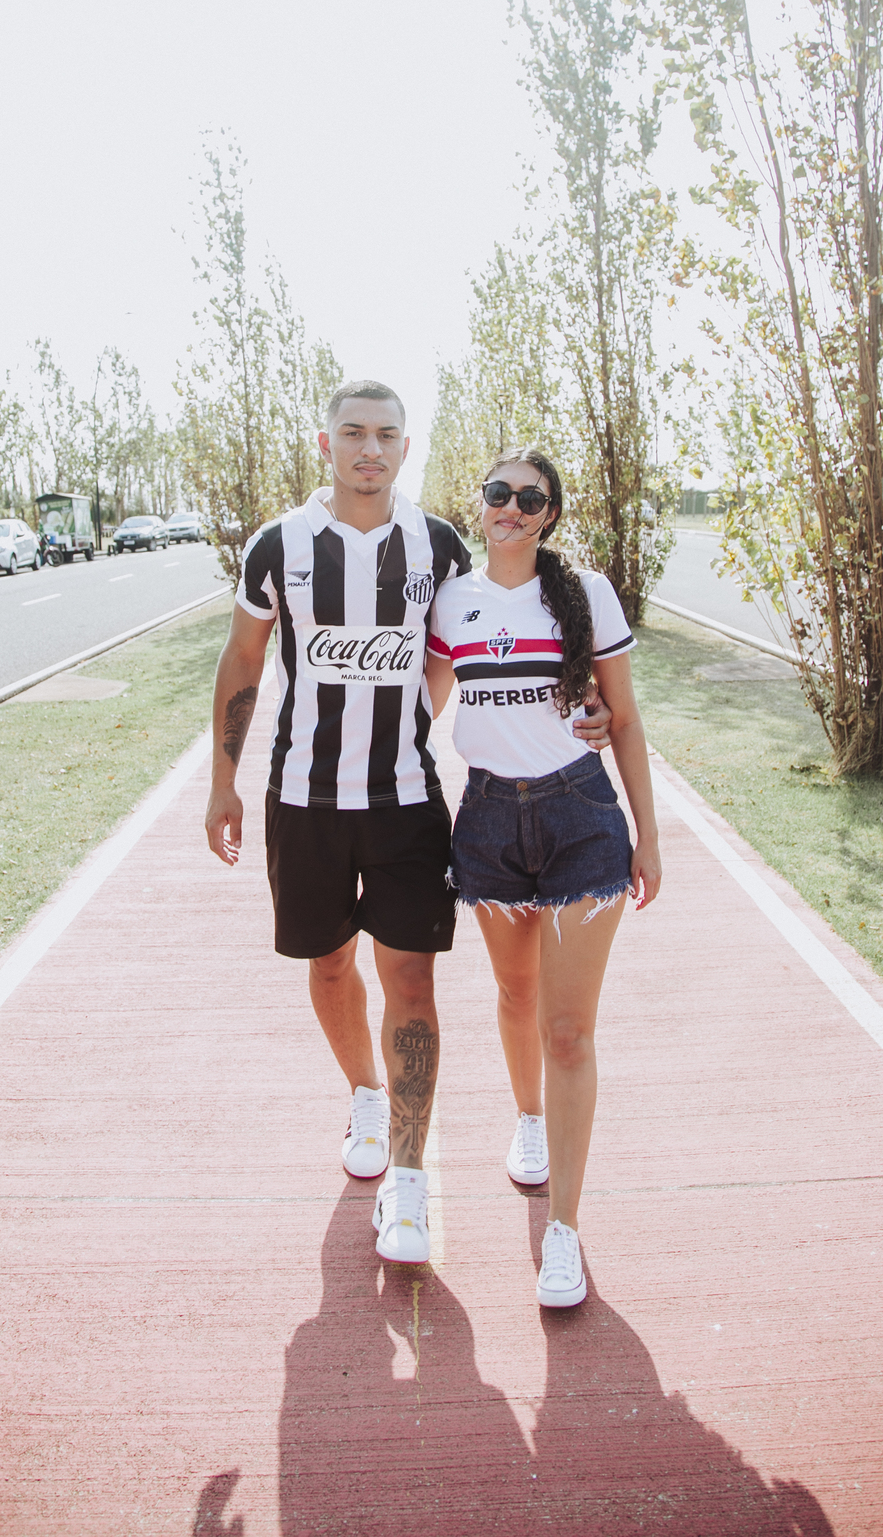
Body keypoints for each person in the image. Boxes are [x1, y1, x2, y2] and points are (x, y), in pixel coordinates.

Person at [204, 386, 612, 1266]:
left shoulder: (440, 545)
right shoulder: (279, 544)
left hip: (405, 802)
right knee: (328, 966)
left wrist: (585, 704)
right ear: (327, 444)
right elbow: (242, 658)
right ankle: (363, 1091)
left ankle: (410, 1177)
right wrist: (222, 783)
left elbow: (496, 632)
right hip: (303, 800)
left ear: (404, 446)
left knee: (414, 987)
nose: (369, 448)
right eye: (353, 433)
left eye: (385, 434)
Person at [427, 446, 661, 1307]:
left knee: (567, 1030)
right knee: (516, 995)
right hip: (488, 819)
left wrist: (648, 836)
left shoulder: (585, 594)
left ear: (551, 513)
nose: (512, 508)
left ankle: (563, 1230)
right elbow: (422, 703)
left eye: (531, 498)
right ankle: (528, 1119)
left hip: (580, 819)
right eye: (500, 493)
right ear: (481, 501)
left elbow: (622, 718)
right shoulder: (452, 601)